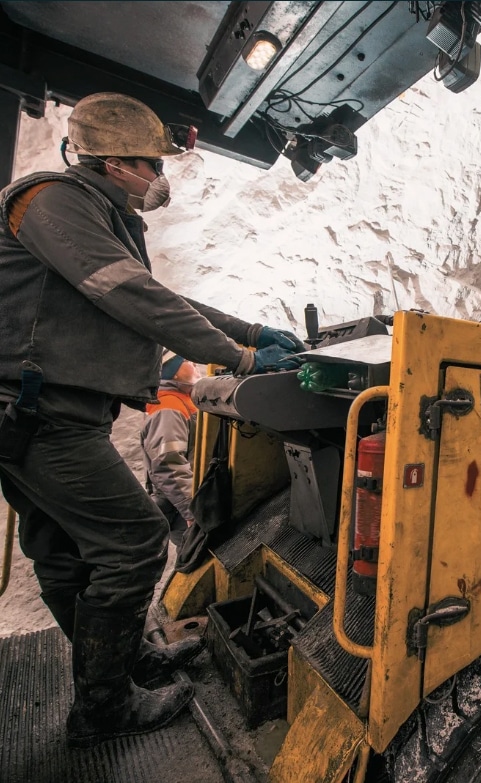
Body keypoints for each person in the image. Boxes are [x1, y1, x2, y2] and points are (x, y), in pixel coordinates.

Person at [0, 92, 304, 748]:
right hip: (39, 415)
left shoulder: (94, 211)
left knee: (61, 549)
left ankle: (120, 665)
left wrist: (248, 329)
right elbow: (133, 296)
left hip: (46, 415)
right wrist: (243, 355)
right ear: (113, 161)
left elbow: (164, 297)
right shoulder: (52, 201)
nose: (158, 176)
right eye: (149, 162)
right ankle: (104, 705)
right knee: (136, 539)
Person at [141, 352, 200, 547]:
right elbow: (168, 463)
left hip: (187, 499)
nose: (193, 364)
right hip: (183, 508)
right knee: (196, 555)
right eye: (187, 361)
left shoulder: (180, 398)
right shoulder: (168, 407)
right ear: (174, 373)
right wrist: (192, 510)